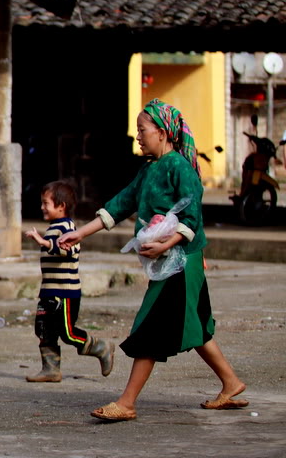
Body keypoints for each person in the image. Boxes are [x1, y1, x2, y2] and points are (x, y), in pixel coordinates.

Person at [58, 99, 247, 422]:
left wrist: (165, 245)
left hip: (181, 261)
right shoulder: (148, 170)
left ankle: (127, 402)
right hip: (170, 261)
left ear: (162, 133)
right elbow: (120, 205)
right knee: (196, 325)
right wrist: (80, 233)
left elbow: (193, 215)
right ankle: (231, 383)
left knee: (151, 325)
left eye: (142, 131)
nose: (138, 137)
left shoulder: (180, 168)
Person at [23, 180, 114, 382]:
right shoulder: (53, 226)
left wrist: (44, 242)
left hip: (65, 293)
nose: (42, 208)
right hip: (49, 291)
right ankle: (50, 369)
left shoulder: (67, 226)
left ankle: (101, 347)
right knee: (43, 329)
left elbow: (67, 249)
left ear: (61, 206)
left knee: (68, 333)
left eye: (45, 203)